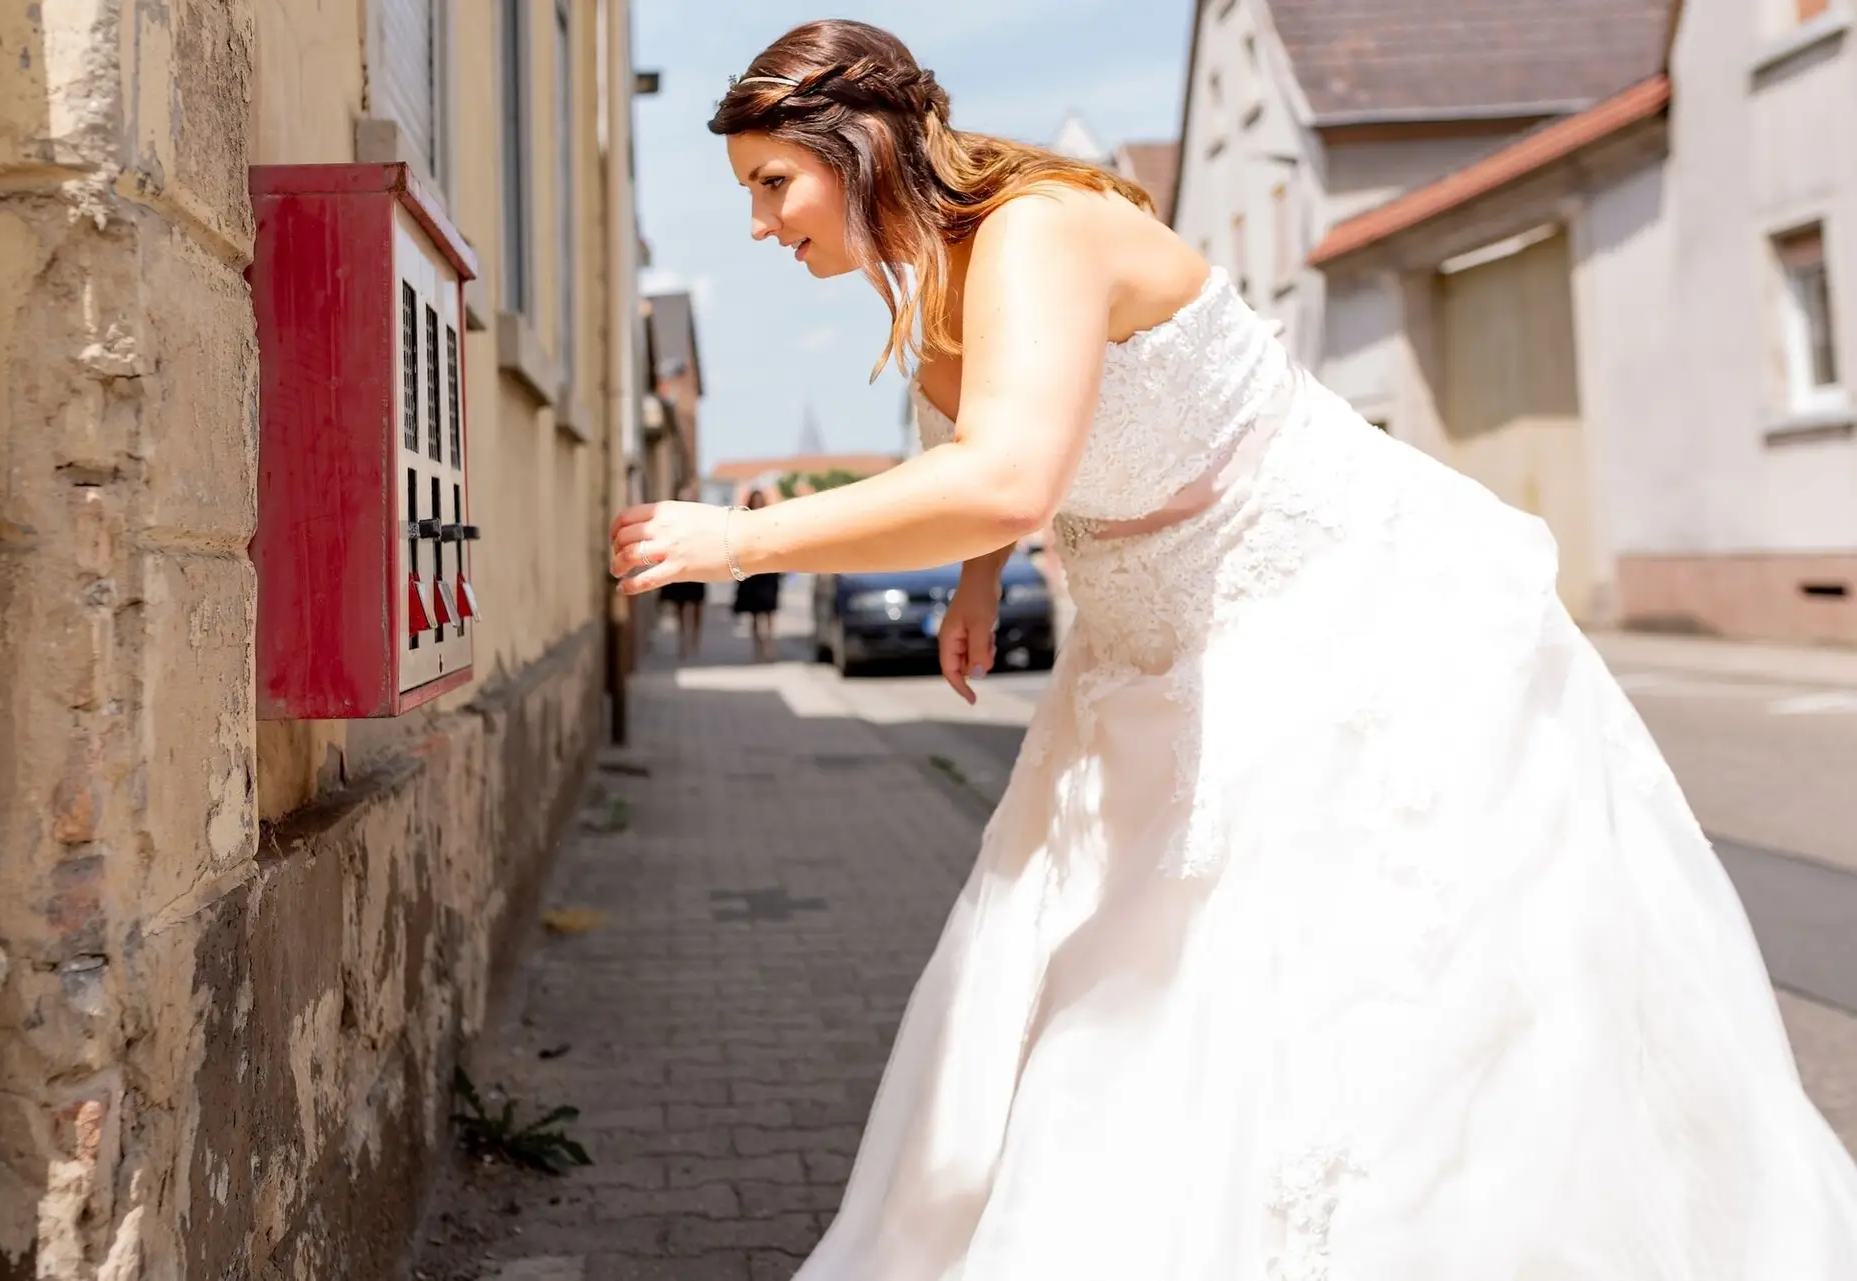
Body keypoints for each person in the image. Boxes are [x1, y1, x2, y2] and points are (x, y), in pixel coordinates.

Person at [610, 19, 1857, 1279]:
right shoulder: (936, 280)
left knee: (1325, 977)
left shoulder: (1038, 233)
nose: (760, 223)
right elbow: (985, 446)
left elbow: (1007, 475)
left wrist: (741, 541)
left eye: (774, 182)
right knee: (1128, 985)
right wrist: (977, 582)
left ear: (861, 145)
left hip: (1332, 608)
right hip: (1145, 644)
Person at [657, 481, 709, 658]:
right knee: (679, 606)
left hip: (696, 565)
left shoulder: (700, 519)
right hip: (679, 564)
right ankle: (683, 640)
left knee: (697, 605)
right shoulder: (672, 519)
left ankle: (695, 639)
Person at [729, 488, 782, 661]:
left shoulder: (769, 519)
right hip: (752, 570)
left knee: (769, 610)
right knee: (754, 611)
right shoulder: (744, 521)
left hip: (768, 570)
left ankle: (769, 644)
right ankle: (757, 647)